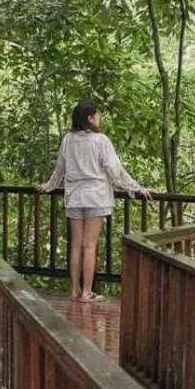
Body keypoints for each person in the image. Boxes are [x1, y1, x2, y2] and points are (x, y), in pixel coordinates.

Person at [37, 99, 152, 301]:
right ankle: (87, 292)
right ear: (90, 118)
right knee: (89, 246)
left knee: (76, 245)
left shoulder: (68, 140)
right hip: (96, 197)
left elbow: (60, 169)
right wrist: (136, 188)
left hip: (74, 197)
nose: (100, 118)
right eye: (97, 115)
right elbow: (115, 171)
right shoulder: (101, 141)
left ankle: (74, 290)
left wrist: (48, 186)